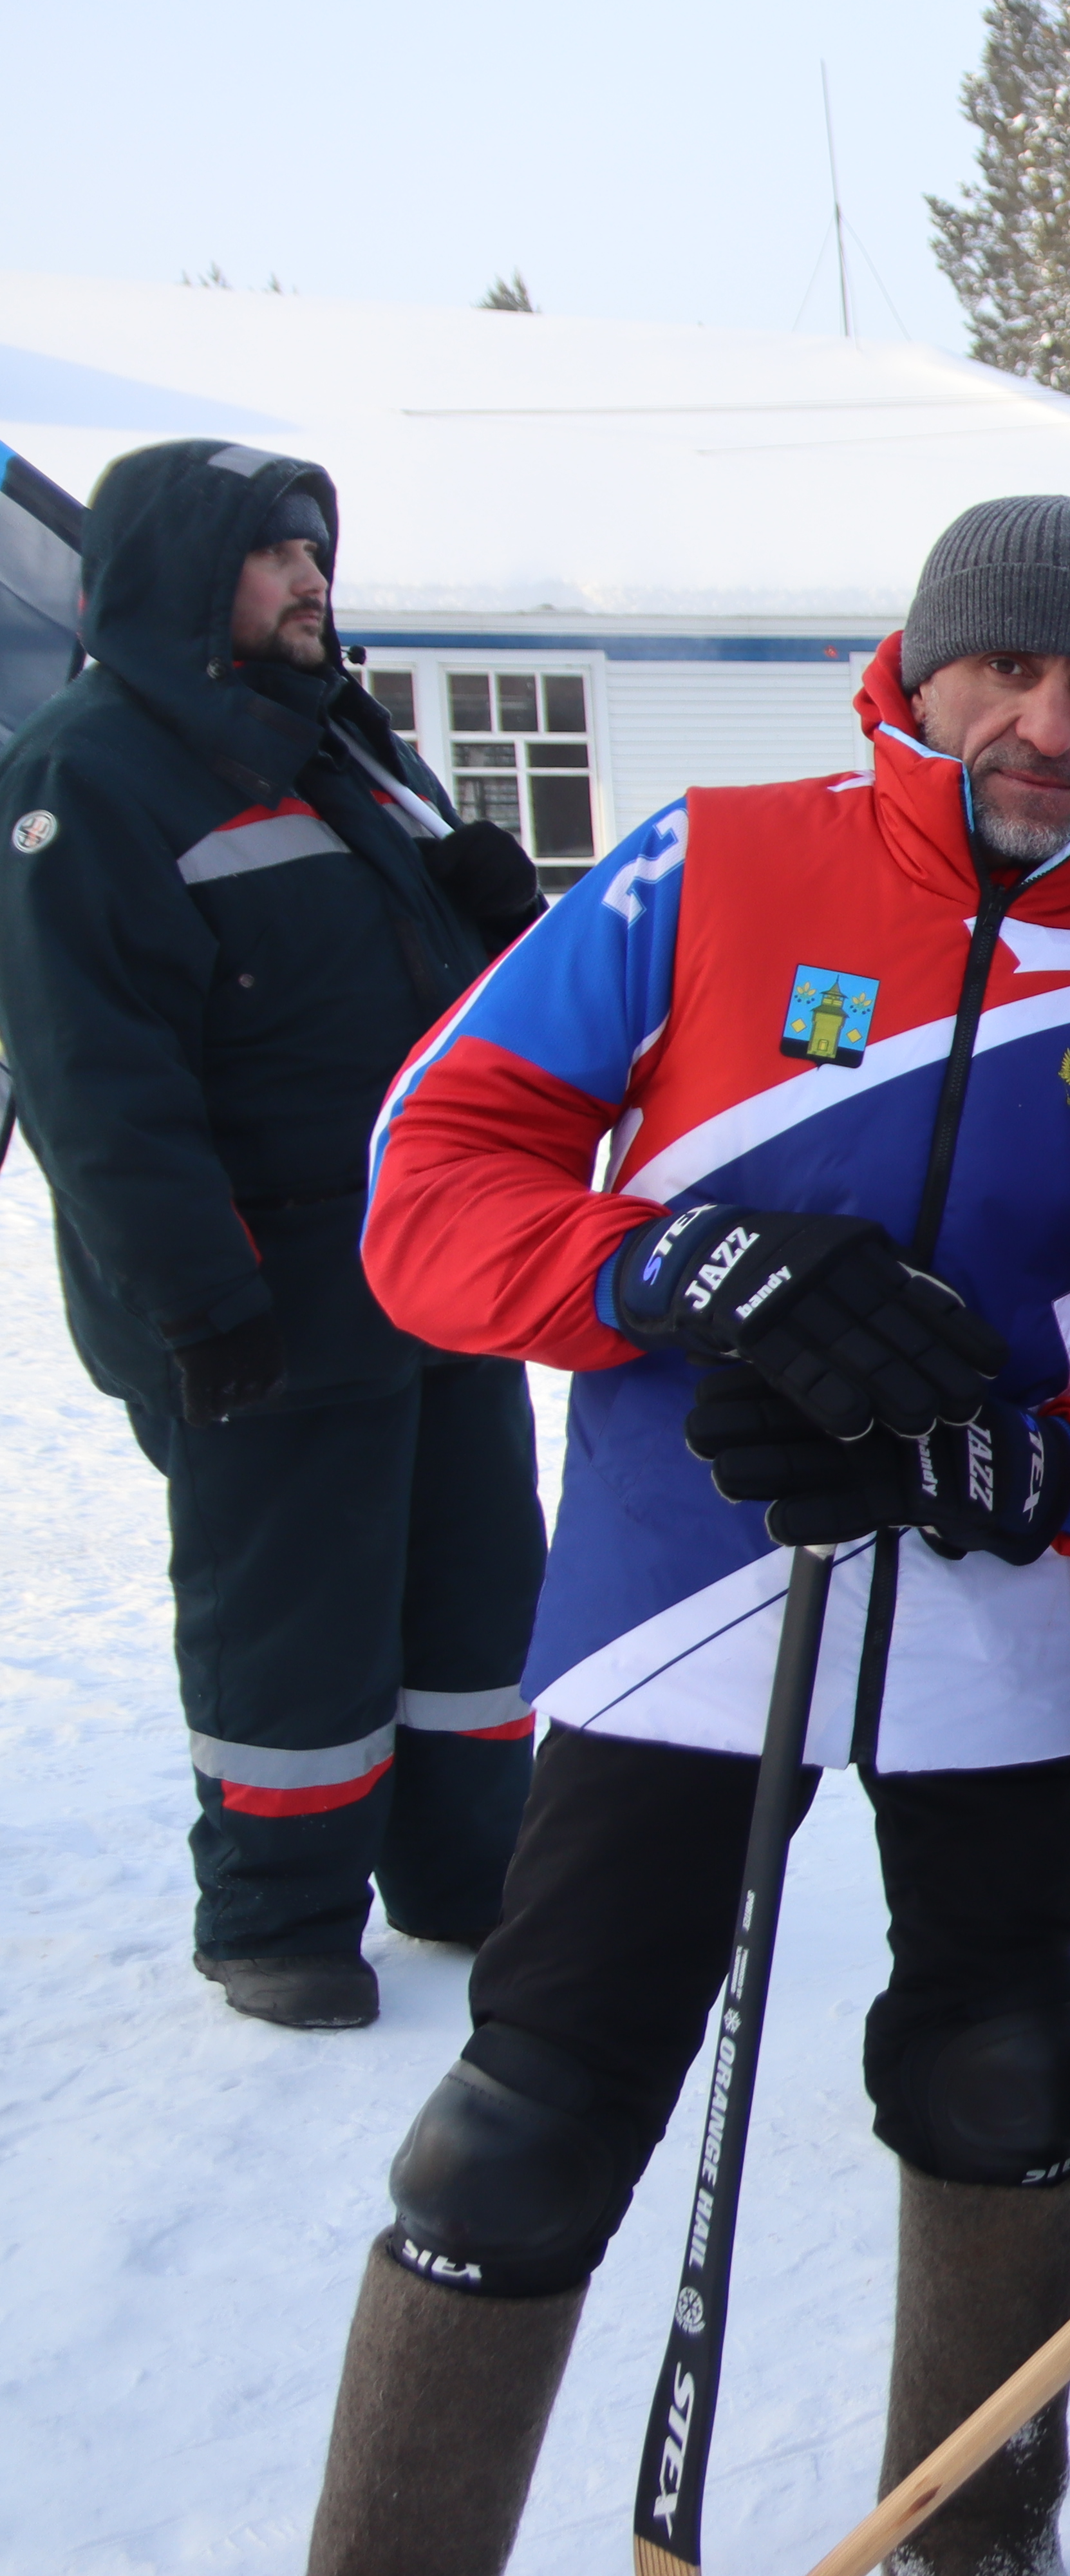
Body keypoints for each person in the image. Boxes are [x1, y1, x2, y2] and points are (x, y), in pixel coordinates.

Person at [302, 496, 1070, 2576]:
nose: (1049, 721)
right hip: (688, 1594)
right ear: (916, 672)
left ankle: (972, 2535)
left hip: (1003, 1628)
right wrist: (664, 1269)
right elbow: (429, 1178)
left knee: (1006, 2073)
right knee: (524, 2127)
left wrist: (1026, 1467)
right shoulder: (711, 861)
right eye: (1006, 667)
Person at [0, 440, 549, 2032]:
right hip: (265, 1297)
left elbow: (439, 995)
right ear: (182, 575)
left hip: (431, 1269)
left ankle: (468, 1870)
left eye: (318, 548)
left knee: (473, 1601)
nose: (313, 577)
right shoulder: (88, 776)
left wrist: (494, 913)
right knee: (294, 1621)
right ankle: (280, 1917)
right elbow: (99, 1081)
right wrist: (198, 1299)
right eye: (274, 552)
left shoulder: (347, 743)